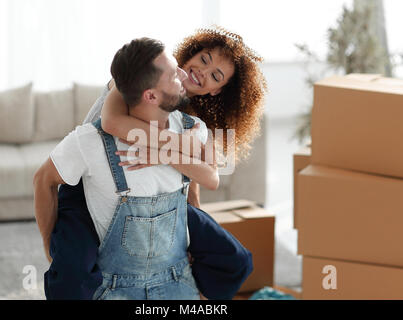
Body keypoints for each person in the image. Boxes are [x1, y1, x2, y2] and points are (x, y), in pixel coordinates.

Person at [45, 26, 265, 300]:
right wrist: (183, 145)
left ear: (217, 91)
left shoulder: (194, 122)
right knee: (73, 270)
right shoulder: (142, 75)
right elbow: (112, 122)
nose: (202, 72)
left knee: (235, 259)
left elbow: (198, 181)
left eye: (215, 76)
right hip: (90, 186)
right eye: (205, 59)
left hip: (155, 199)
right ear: (193, 52)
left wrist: (187, 235)